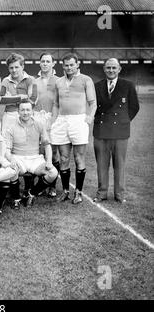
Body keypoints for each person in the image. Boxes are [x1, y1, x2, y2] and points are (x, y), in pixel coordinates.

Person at [50, 53, 97, 204]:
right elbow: (56, 104)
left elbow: (93, 102)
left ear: (77, 65)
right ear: (62, 66)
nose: (69, 67)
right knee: (63, 158)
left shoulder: (86, 79)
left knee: (78, 158)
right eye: (66, 65)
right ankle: (65, 191)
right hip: (62, 120)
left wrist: (90, 117)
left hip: (78, 120)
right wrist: (54, 120)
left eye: (72, 64)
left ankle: (79, 192)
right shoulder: (59, 82)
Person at [93, 58, 139, 204]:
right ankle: (102, 193)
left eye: (114, 68)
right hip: (101, 132)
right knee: (101, 165)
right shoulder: (97, 86)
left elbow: (134, 107)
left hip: (120, 132)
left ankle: (119, 194)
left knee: (119, 165)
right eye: (108, 68)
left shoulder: (128, 85)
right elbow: (92, 107)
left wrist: (123, 121)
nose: (111, 70)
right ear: (104, 69)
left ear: (119, 69)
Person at [6, 102, 58, 210]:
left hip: (35, 159)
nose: (25, 113)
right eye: (23, 110)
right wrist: (11, 159)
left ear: (32, 111)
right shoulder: (11, 126)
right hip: (18, 158)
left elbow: (47, 146)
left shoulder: (39, 124)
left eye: (28, 110)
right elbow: (7, 150)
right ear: (18, 112)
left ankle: (31, 194)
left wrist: (49, 161)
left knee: (53, 173)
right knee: (11, 170)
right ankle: (16, 199)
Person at [34, 52, 60, 197]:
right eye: (43, 61)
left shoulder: (58, 80)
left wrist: (54, 119)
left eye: (48, 61)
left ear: (53, 63)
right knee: (39, 153)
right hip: (38, 118)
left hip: (53, 119)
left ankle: (52, 186)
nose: (45, 63)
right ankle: (41, 184)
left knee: (53, 153)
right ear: (39, 63)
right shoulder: (34, 81)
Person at [0, 53, 37, 134]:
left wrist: (10, 99)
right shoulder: (5, 81)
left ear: (22, 66)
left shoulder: (31, 80)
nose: (14, 70)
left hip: (26, 114)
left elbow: (33, 99)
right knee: (6, 144)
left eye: (16, 67)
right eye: (11, 68)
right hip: (9, 116)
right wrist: (21, 97)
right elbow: (0, 100)